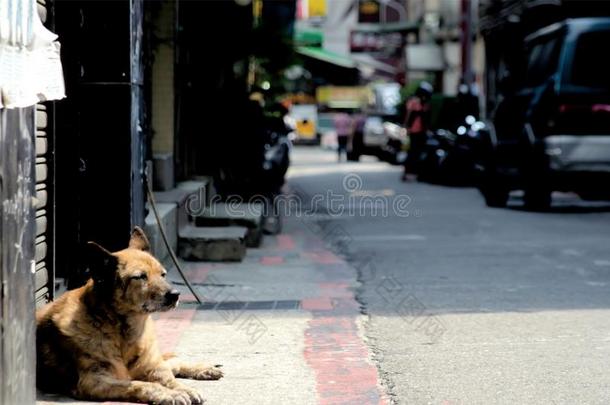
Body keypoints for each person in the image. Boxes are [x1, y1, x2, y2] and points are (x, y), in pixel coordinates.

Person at [402, 81, 433, 181]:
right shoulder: (414, 102)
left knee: (418, 152)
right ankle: (408, 172)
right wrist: (406, 127)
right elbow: (408, 115)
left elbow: (427, 118)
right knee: (413, 152)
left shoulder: (425, 103)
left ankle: (416, 172)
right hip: (414, 131)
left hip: (422, 131)